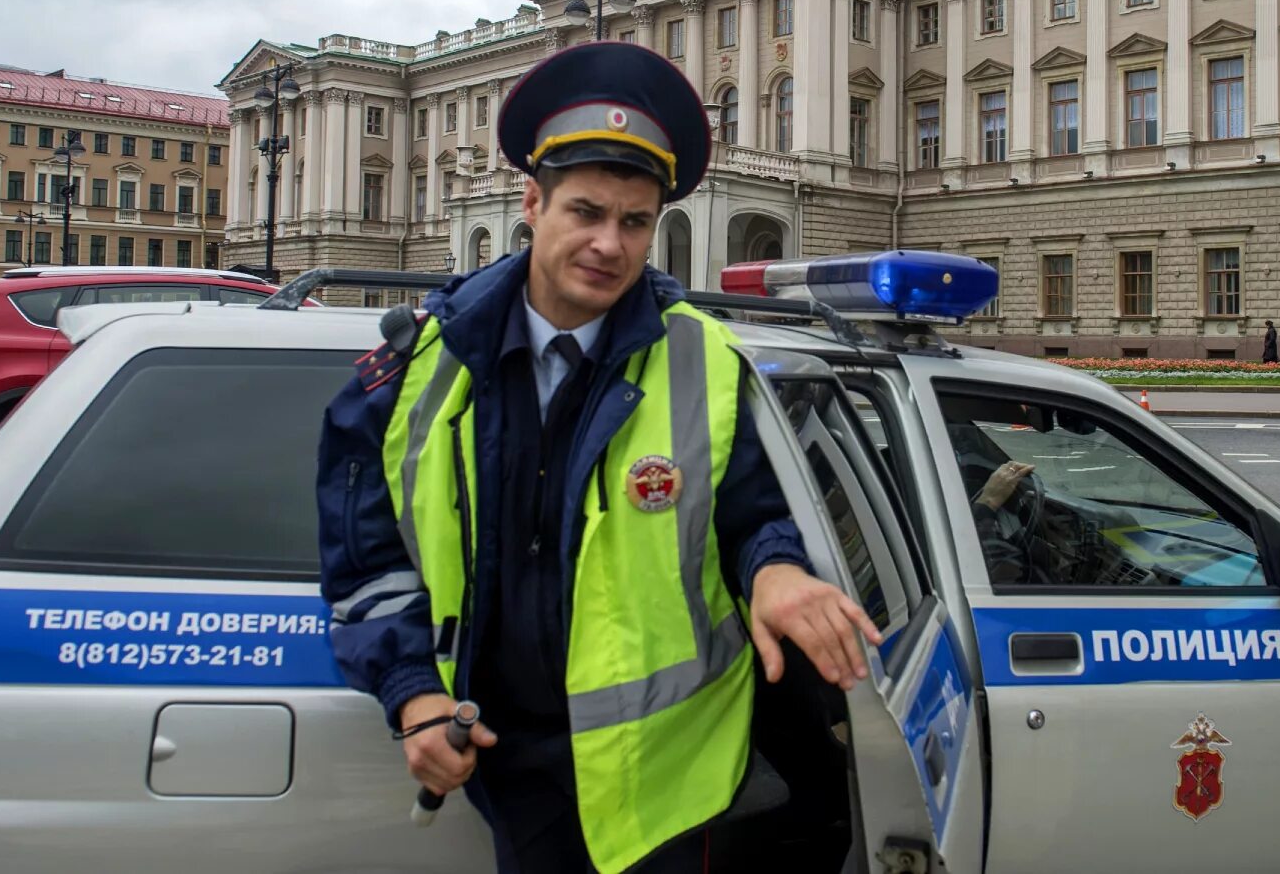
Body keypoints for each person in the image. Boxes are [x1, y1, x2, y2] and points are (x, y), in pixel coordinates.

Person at [316, 42, 881, 874]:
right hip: (510, 768)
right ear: (532, 203)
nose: (610, 244)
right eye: (586, 212)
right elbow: (367, 561)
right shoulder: (415, 370)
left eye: (634, 221)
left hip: (671, 780)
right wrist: (412, 694)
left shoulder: (703, 358)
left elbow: (749, 516)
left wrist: (776, 572)